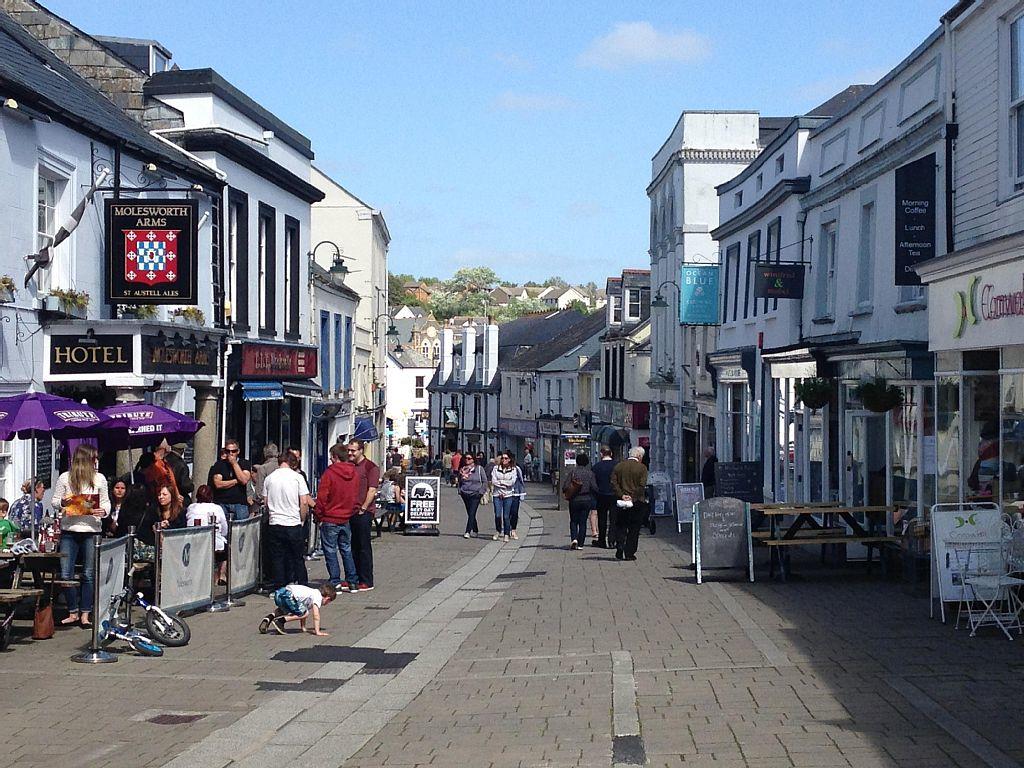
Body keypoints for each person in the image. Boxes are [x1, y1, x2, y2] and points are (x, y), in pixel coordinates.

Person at [52, 444, 110, 628]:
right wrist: (63, 502)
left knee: (88, 574)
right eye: (94, 458)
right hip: (70, 529)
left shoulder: (99, 479)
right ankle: (72, 611)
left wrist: (104, 511)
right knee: (66, 573)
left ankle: (86, 613)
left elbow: (106, 503)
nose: (97, 461)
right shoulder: (65, 478)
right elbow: (55, 501)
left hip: (91, 530)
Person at [314, 443, 360, 592]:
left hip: (330, 517)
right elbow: (355, 496)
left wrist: (318, 514)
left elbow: (322, 497)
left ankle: (335, 581)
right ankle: (352, 581)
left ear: (335, 457)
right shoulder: (354, 473)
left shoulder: (330, 473)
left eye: (331, 457)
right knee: (346, 549)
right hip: (345, 517)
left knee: (330, 550)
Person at [263, 453, 313, 589]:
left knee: (277, 558)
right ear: (293, 463)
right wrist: (302, 519)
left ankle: (279, 587)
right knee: (297, 557)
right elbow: (304, 502)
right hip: (293, 522)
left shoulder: (269, 478)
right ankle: (302, 585)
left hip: (275, 522)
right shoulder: (297, 478)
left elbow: (266, 502)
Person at [347, 439, 379, 591]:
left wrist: (364, 508)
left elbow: (372, 490)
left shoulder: (370, 467)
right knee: (352, 545)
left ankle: (366, 580)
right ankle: (354, 576)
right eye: (349, 450)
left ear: (361, 450)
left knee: (363, 546)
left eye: (353, 451)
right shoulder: (349, 465)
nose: (350, 453)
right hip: (349, 510)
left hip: (363, 511)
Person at [611, 447, 649, 561]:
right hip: (637, 502)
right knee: (634, 527)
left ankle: (620, 545)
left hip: (621, 502)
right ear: (639, 456)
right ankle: (629, 552)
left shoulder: (619, 466)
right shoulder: (642, 468)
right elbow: (642, 486)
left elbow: (613, 482)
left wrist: (622, 495)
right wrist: (632, 497)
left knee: (621, 525)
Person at [186, 485, 229, 584]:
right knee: (225, 546)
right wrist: (223, 535)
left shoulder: (191, 507)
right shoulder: (216, 508)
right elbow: (224, 528)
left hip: (193, 541)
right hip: (210, 542)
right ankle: (221, 575)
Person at [259, 582, 336, 636]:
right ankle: (280, 621)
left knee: (285, 610)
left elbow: (302, 609)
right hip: (289, 596)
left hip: (280, 592)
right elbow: (316, 615)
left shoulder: (312, 592)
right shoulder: (318, 597)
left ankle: (269, 617)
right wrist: (317, 631)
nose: (326, 604)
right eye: (328, 602)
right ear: (327, 598)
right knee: (305, 613)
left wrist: (303, 628)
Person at [209, 438, 252, 521]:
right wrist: (236, 481)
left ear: (238, 451)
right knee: (222, 528)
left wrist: (234, 463)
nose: (231, 454)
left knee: (240, 530)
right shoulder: (219, 464)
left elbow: (243, 480)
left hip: (239, 503)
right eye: (228, 451)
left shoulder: (244, 463)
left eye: (233, 451)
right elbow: (218, 484)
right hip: (222, 502)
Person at [562, 454, 599, 550]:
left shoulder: (573, 472)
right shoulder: (590, 473)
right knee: (583, 522)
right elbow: (594, 487)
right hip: (586, 499)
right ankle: (581, 544)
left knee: (574, 521)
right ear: (587, 462)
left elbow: (565, 487)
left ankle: (574, 539)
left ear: (577, 462)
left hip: (574, 499)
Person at [490, 452, 519, 542]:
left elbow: (512, 482)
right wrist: (503, 483)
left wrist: (501, 482)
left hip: (508, 495)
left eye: (506, 458)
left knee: (506, 516)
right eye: (502, 458)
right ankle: (498, 531)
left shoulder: (513, 469)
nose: (504, 460)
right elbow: (494, 481)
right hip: (497, 494)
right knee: (498, 515)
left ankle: (506, 534)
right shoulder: (495, 468)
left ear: (509, 459)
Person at [457, 453, 487, 539]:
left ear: (473, 459)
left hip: (475, 494)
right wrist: (460, 490)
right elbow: (459, 481)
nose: (467, 460)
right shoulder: (462, 469)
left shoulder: (479, 469)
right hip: (465, 493)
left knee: (472, 512)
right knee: (470, 513)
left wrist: (481, 492)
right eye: (466, 458)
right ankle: (475, 529)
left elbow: (485, 481)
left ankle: (467, 531)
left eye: (469, 458)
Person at [591, 446, 616, 549]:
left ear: (601, 454)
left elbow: (593, 483)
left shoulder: (596, 467)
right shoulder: (617, 465)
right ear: (611, 454)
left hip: (601, 495)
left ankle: (602, 540)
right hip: (614, 495)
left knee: (602, 518)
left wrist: (597, 492)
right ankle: (612, 540)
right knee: (614, 518)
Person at [163, 441, 194, 507]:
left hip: (165, 494)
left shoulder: (164, 460)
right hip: (179, 497)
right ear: (181, 450)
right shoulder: (181, 464)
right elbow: (185, 485)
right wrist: (191, 486)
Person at [508, 451, 525, 540]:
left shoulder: (517, 469)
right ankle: (507, 530)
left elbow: (521, 481)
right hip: (505, 494)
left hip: (515, 493)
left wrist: (522, 494)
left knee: (514, 512)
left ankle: (513, 529)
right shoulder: (500, 468)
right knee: (507, 513)